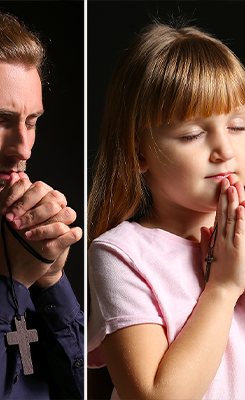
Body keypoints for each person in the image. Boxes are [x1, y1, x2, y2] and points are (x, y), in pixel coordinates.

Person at [86, 23, 245, 399]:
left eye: (237, 126)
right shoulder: (122, 254)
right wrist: (223, 289)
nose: (223, 149)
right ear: (139, 151)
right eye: (192, 134)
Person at [0, 11, 85, 399]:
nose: (22, 147)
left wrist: (50, 280)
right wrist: (10, 283)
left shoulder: (18, 236)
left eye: (31, 121)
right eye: (1, 120)